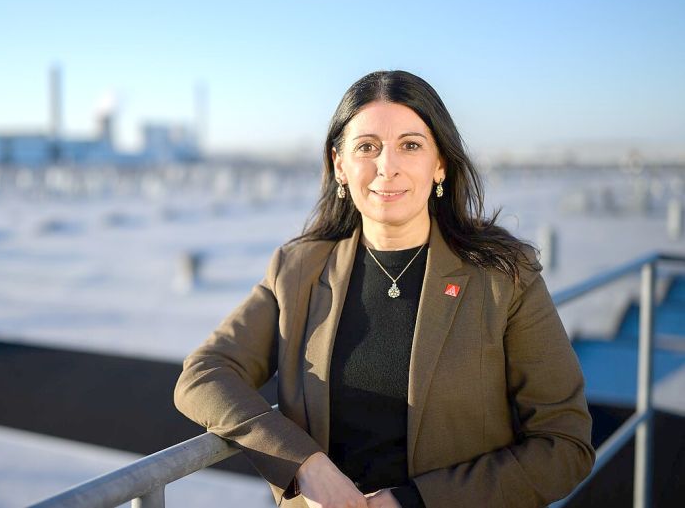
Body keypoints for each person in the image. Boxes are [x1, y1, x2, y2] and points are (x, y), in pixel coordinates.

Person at [173, 70, 595, 508]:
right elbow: (203, 374)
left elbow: (564, 446)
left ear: (440, 164)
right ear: (340, 164)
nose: (386, 166)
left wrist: (412, 503)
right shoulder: (298, 269)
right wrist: (302, 463)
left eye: (410, 145)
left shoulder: (504, 277)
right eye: (367, 147)